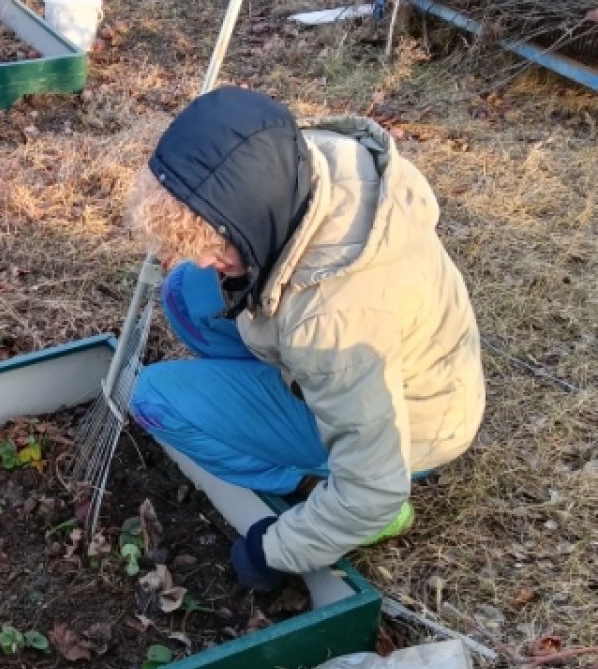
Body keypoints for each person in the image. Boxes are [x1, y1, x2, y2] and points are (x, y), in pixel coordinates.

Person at [126, 87, 485, 591]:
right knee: (185, 293)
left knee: (154, 398)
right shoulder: (304, 164)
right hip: (387, 367)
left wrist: (271, 551)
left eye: (212, 244)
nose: (204, 257)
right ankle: (276, 391)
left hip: (412, 432)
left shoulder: (335, 321)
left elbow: (373, 490)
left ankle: (308, 481)